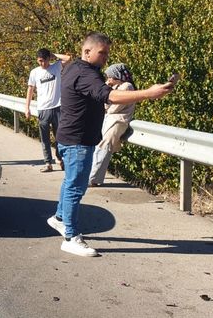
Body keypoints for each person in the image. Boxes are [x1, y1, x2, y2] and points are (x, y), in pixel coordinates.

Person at [46, 32, 179, 257]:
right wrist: (149, 93)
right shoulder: (85, 73)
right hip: (77, 140)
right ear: (87, 52)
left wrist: (55, 54)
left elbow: (67, 57)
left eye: (107, 52)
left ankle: (60, 218)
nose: (106, 58)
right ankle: (70, 237)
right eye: (102, 53)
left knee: (71, 183)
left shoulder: (72, 66)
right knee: (75, 187)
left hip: (71, 137)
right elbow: (110, 97)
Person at [25, 48, 71, 173]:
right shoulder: (34, 72)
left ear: (49, 59)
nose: (42, 64)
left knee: (60, 137)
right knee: (44, 138)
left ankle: (60, 159)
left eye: (44, 61)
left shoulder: (56, 67)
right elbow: (30, 89)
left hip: (57, 107)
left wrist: (53, 54)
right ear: (37, 60)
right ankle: (48, 163)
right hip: (43, 109)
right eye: (40, 61)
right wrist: (27, 108)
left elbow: (68, 58)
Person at [89, 63, 136, 186]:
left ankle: (93, 178)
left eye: (110, 77)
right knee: (100, 148)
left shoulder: (127, 86)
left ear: (117, 76)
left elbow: (113, 108)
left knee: (104, 147)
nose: (108, 79)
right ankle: (93, 177)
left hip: (118, 121)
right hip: (111, 120)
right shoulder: (116, 87)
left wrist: (107, 105)